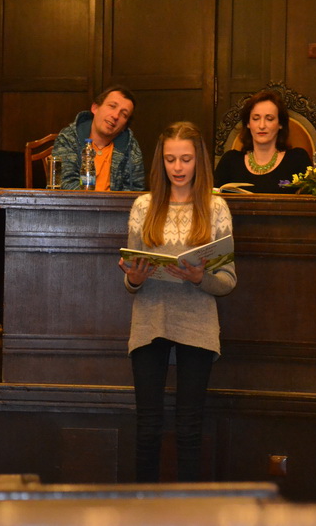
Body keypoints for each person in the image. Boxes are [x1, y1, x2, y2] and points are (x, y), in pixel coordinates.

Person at [118, 121, 237, 482]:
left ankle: (189, 506)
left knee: (189, 427)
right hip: (150, 319)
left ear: (199, 160)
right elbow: (131, 274)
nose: (178, 167)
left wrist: (201, 278)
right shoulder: (144, 206)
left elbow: (228, 281)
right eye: (170, 159)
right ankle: (144, 504)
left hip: (197, 322)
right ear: (161, 161)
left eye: (186, 159)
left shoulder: (215, 207)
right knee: (147, 426)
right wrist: (134, 279)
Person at [214, 90, 313, 193]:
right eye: (256, 118)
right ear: (248, 123)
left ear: (280, 124)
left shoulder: (297, 159)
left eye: (269, 119)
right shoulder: (230, 161)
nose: (262, 126)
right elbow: (212, 198)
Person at [53, 85, 145, 191]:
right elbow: (65, 184)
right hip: (77, 202)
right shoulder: (68, 138)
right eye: (112, 106)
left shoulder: (131, 147)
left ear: (125, 126)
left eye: (124, 114)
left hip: (115, 202)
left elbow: (135, 192)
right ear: (95, 108)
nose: (115, 116)